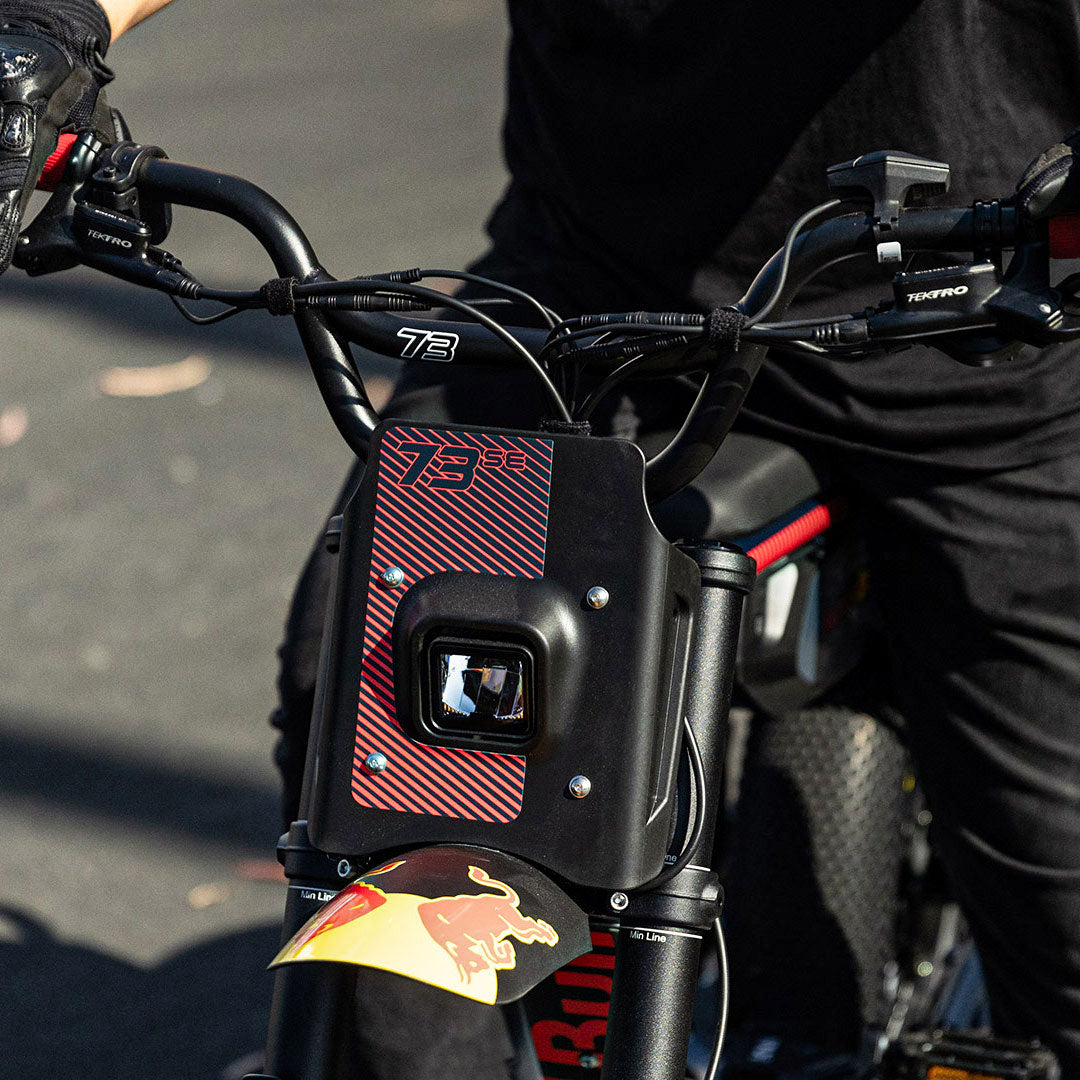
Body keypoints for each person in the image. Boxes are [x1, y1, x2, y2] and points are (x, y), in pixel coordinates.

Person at [4, 1, 1080, 1076]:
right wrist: (56, 21)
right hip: (591, 312)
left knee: (1058, 902)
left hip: (995, 337)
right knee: (379, 743)